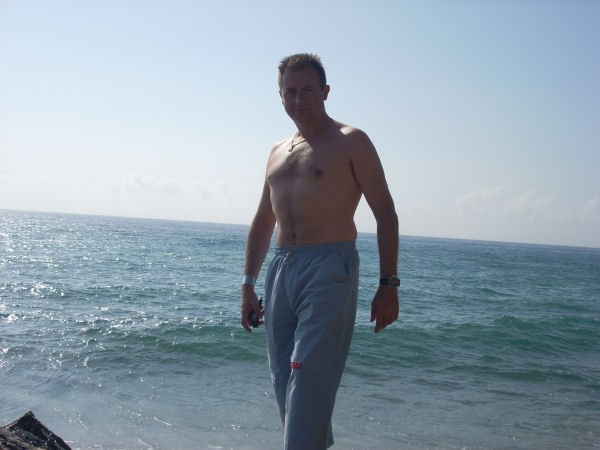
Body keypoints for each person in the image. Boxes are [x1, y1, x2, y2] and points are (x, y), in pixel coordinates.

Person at [240, 53, 399, 449]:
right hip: (281, 269)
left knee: (308, 375)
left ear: (325, 92)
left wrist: (388, 285)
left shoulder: (351, 141)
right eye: (290, 92)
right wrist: (247, 284)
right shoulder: (277, 151)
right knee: (285, 380)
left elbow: (385, 213)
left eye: (308, 90)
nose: (299, 100)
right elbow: (263, 221)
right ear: (280, 96)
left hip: (330, 267)